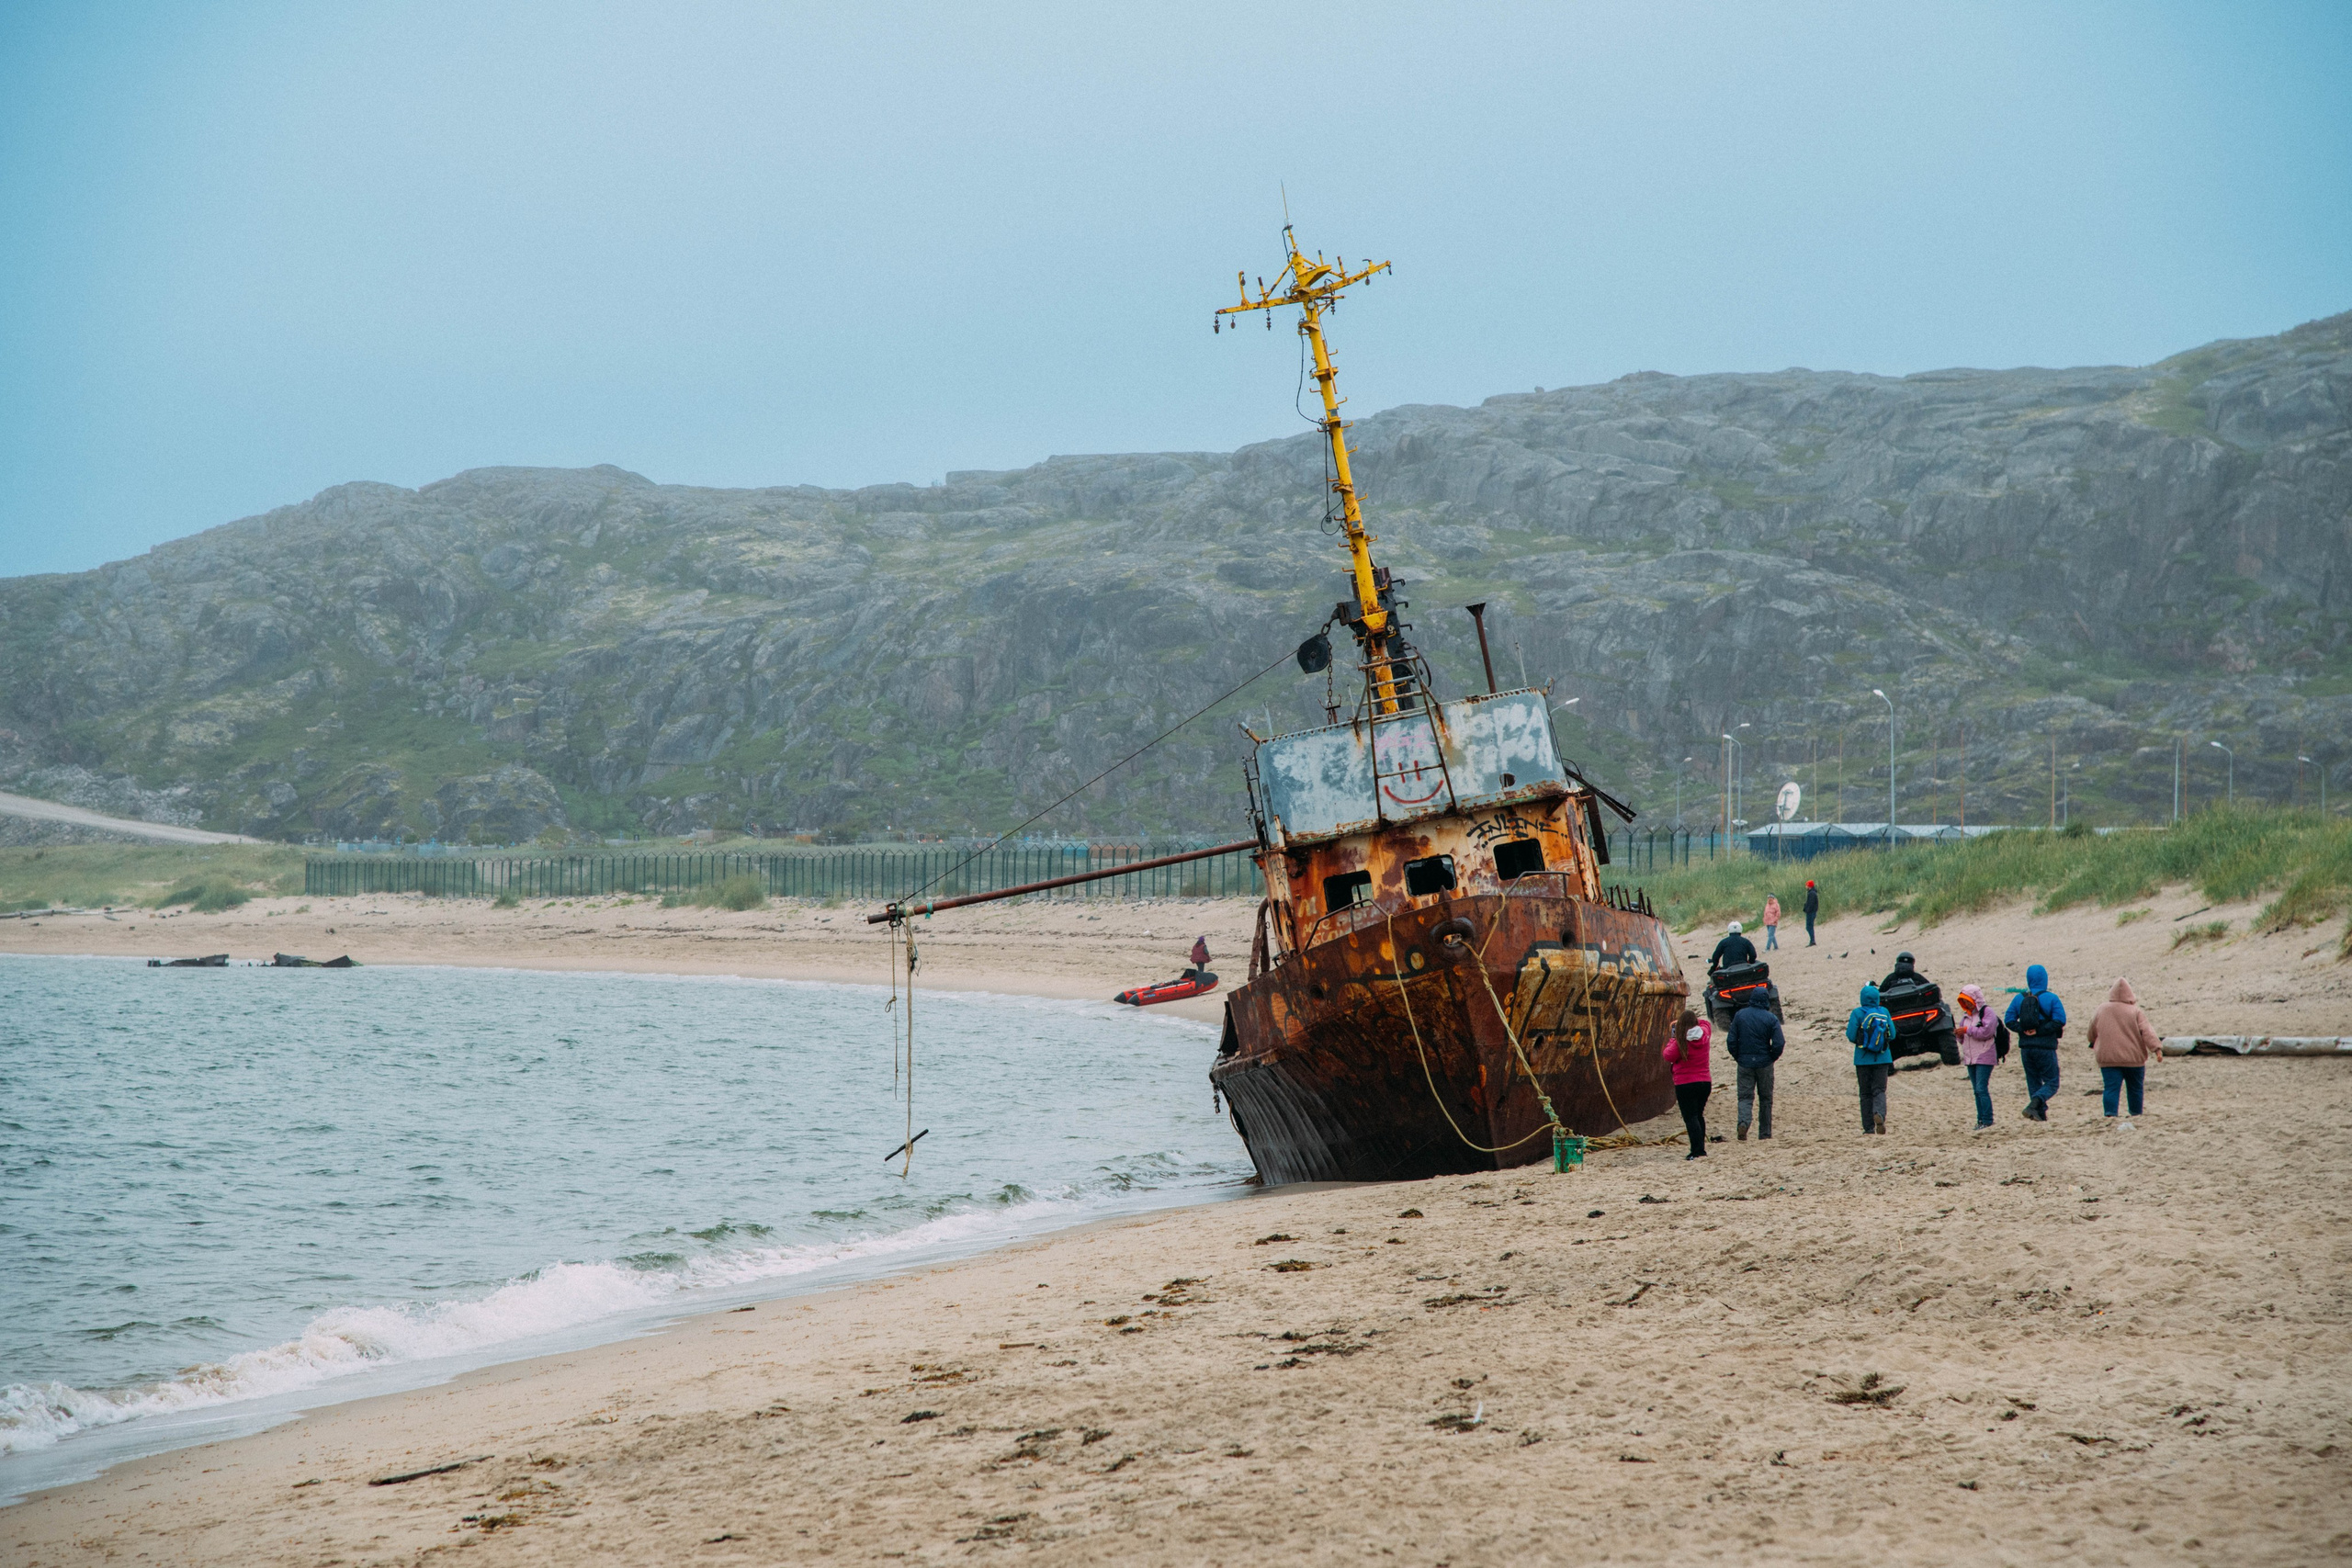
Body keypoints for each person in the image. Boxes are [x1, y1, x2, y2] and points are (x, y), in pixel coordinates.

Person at [2087, 977, 2163, 1127]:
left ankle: (2110, 1115)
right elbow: (2147, 1031)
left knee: (2111, 1088)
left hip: (2108, 1059)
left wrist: (2092, 1041)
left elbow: (2092, 1030)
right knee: (2135, 1088)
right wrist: (2157, 1049)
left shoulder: (2102, 1009)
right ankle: (2135, 1114)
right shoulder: (2135, 1011)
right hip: (2134, 1059)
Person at [2004, 964, 2067, 1121]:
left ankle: (2039, 1114)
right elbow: (2060, 1020)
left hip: (2026, 1048)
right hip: (2045, 1047)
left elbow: (2009, 1020)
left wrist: (2022, 1029)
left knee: (2033, 1082)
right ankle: (2034, 1105)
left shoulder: (2019, 998)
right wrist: (2039, 1031)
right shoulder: (2051, 998)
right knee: (2052, 1082)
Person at [1724, 994, 1785, 1140]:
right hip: (1764, 1063)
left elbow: (1731, 1040)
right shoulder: (1771, 1018)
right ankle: (1765, 1133)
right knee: (1766, 1099)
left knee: (1744, 1097)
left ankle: (1743, 1123)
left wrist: (1738, 1057)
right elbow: (1779, 1043)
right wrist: (1771, 1057)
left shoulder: (1740, 1015)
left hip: (1745, 1062)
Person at [1662, 1007, 1713, 1159]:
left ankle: (1697, 1150)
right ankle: (1700, 1148)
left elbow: (1667, 1055)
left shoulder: (1680, 1042)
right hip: (1704, 1082)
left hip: (1685, 1083)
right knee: (1698, 1115)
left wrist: (1674, 1036)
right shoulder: (1704, 1034)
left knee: (1690, 1117)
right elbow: (1706, 1023)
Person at [1845, 982, 1894, 1134]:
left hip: (1862, 1059)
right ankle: (1879, 1113)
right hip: (1882, 1058)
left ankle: (1868, 1128)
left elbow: (1850, 1035)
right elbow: (1892, 1034)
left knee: (1865, 1093)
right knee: (1879, 1090)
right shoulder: (1884, 1012)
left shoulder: (1857, 1013)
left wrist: (1863, 1042)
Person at [1955, 984, 2005, 1131]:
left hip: (1985, 1055)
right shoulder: (1966, 1016)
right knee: (1976, 1091)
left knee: (1981, 1089)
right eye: (1964, 1001)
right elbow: (1963, 1039)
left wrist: (1967, 1030)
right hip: (1970, 1057)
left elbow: (1986, 1032)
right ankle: (1980, 1120)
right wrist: (1959, 1034)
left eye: (1968, 1000)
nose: (1966, 1003)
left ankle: (1987, 1120)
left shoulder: (1987, 1012)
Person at [1803, 880, 1819, 946]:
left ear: (1809, 886)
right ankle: (1812, 940)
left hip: (1811, 912)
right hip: (1812, 912)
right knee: (1810, 927)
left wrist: (1807, 910)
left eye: (1807, 885)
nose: (1806, 886)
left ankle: (1812, 941)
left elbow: (1811, 904)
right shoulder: (1812, 892)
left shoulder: (1811, 893)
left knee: (1809, 927)